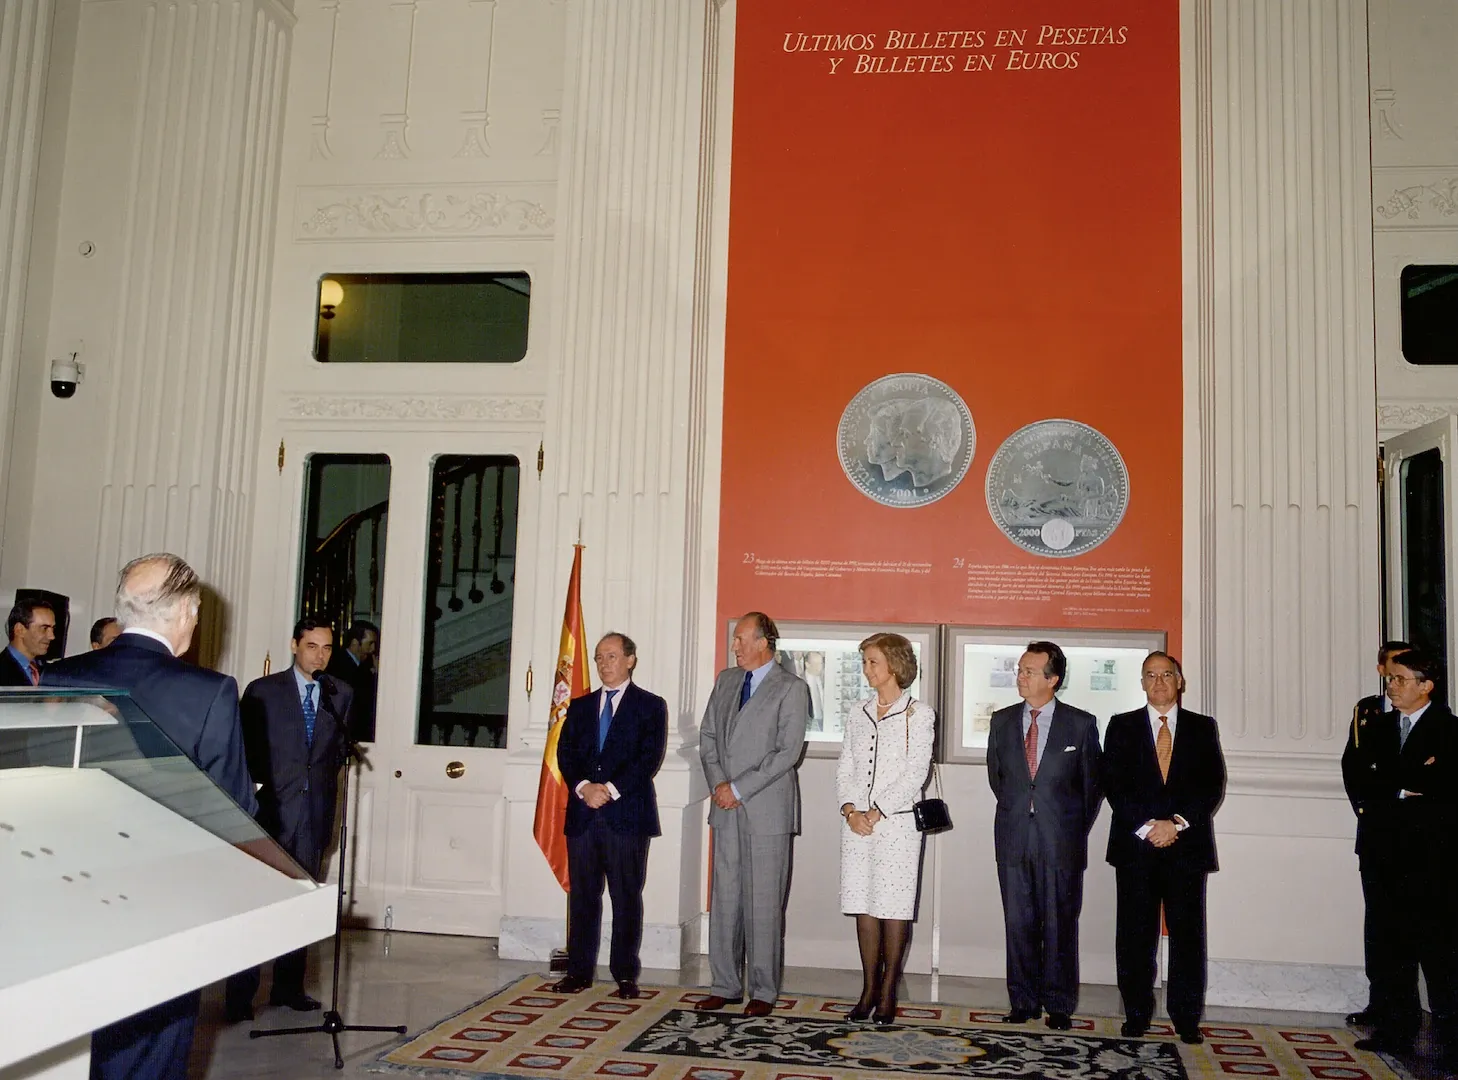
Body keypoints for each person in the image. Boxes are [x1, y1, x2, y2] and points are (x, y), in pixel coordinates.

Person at [43, 553, 257, 1080]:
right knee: (150, 1053)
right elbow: (232, 812)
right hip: (161, 906)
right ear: (185, 610)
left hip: (58, 899)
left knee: (66, 1051)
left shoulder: (53, 677)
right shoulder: (209, 691)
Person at [225, 616, 353, 1021]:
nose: (320, 655)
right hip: (269, 813)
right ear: (294, 645)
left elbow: (333, 755)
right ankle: (240, 994)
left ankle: (288, 987)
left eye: (327, 648)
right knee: (257, 902)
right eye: (312, 646)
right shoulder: (263, 692)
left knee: (300, 900)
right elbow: (242, 751)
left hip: (313, 813)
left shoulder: (341, 693)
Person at [1102, 652, 1226, 1044]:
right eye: (1150, 675)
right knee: (1135, 934)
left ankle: (1186, 1018)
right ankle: (1136, 1013)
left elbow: (1211, 785)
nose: (1159, 682)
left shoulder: (1202, 727)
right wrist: (1148, 827)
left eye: (1166, 674)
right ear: (1141, 683)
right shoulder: (1120, 726)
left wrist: (1175, 824)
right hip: (1136, 847)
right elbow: (1114, 786)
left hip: (1185, 847)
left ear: (1180, 680)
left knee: (1188, 936)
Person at [1342, 647, 1458, 1067]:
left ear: (1427, 686)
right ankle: (1394, 1028)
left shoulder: (1450, 730)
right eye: (1391, 679)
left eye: (1402, 680)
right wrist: (1404, 784)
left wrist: (1392, 781)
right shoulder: (1376, 727)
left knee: (1435, 942)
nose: (1392, 686)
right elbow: (1360, 775)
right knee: (1388, 944)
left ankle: (1447, 1033)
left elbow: (1441, 783)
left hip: (1430, 857)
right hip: (1379, 850)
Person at [696, 612, 809, 1016]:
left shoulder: (791, 688)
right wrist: (720, 785)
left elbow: (787, 752)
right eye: (735, 640)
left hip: (767, 812)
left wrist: (739, 788)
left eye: (742, 639)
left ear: (765, 642)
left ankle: (763, 991)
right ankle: (724, 984)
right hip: (725, 808)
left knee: (763, 901)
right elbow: (708, 737)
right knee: (725, 900)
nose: (735, 647)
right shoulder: (726, 682)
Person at [986, 640, 1103, 1030]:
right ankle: (1022, 1001)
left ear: (1052, 679)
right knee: (1017, 922)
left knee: (1059, 924)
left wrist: (1067, 827)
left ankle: (1058, 1004)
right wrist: (1024, 811)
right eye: (1019, 669)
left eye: (1029, 671)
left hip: (1061, 841)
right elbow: (998, 779)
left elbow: (1091, 788)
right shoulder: (1001, 721)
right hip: (1013, 835)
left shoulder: (1081, 724)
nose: (1020, 676)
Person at [550, 632, 668, 999]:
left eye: (612, 656)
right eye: (599, 657)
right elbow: (565, 753)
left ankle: (625, 975)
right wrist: (585, 786)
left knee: (625, 895)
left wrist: (610, 790)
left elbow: (648, 758)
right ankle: (579, 971)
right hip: (584, 814)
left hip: (626, 815)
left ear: (631, 660)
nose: (604, 664)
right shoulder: (581, 706)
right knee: (583, 896)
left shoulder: (650, 705)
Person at [836, 632, 935, 1023]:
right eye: (863, 662)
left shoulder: (919, 714)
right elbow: (845, 766)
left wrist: (876, 811)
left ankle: (889, 989)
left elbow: (916, 773)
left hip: (896, 827)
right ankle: (868, 990)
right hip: (856, 825)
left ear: (894, 664)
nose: (866, 669)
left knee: (892, 908)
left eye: (872, 661)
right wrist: (849, 810)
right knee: (863, 905)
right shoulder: (856, 712)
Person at [1340, 638, 1411, 1028]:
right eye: (1393, 666)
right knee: (1378, 924)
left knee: (1408, 926)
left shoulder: (1429, 715)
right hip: (1375, 832)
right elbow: (1353, 767)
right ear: (1381, 669)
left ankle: (1406, 1010)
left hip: (1414, 836)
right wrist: (1367, 811)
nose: (1397, 676)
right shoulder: (1367, 711)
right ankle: (1380, 1003)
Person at [327, 619, 378, 741]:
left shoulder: (360, 667)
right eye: (370, 643)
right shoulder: (340, 666)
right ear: (355, 643)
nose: (373, 649)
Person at [2, 597, 56, 685]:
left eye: (53, 629)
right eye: (44, 628)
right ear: (20, 630)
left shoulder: (45, 671)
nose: (52, 636)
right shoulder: (3, 671)